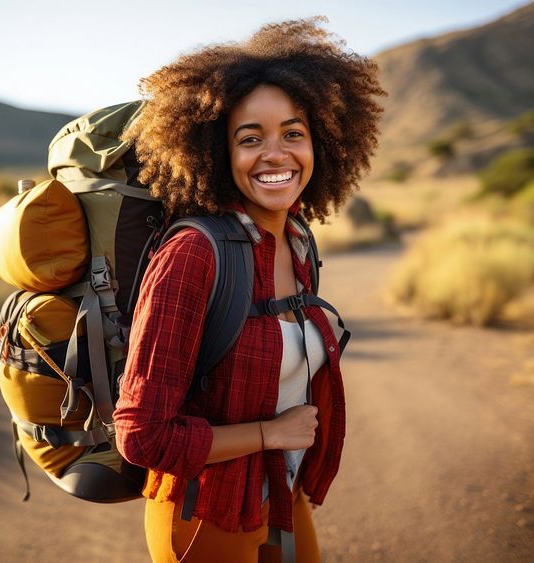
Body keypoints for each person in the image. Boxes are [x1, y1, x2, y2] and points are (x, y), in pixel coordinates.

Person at [112, 19, 384, 563]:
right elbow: (142, 438)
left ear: (321, 143)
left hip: (279, 496)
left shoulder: (298, 242)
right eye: (250, 138)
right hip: (204, 512)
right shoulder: (194, 255)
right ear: (217, 153)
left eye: (293, 133)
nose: (276, 154)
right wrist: (269, 434)